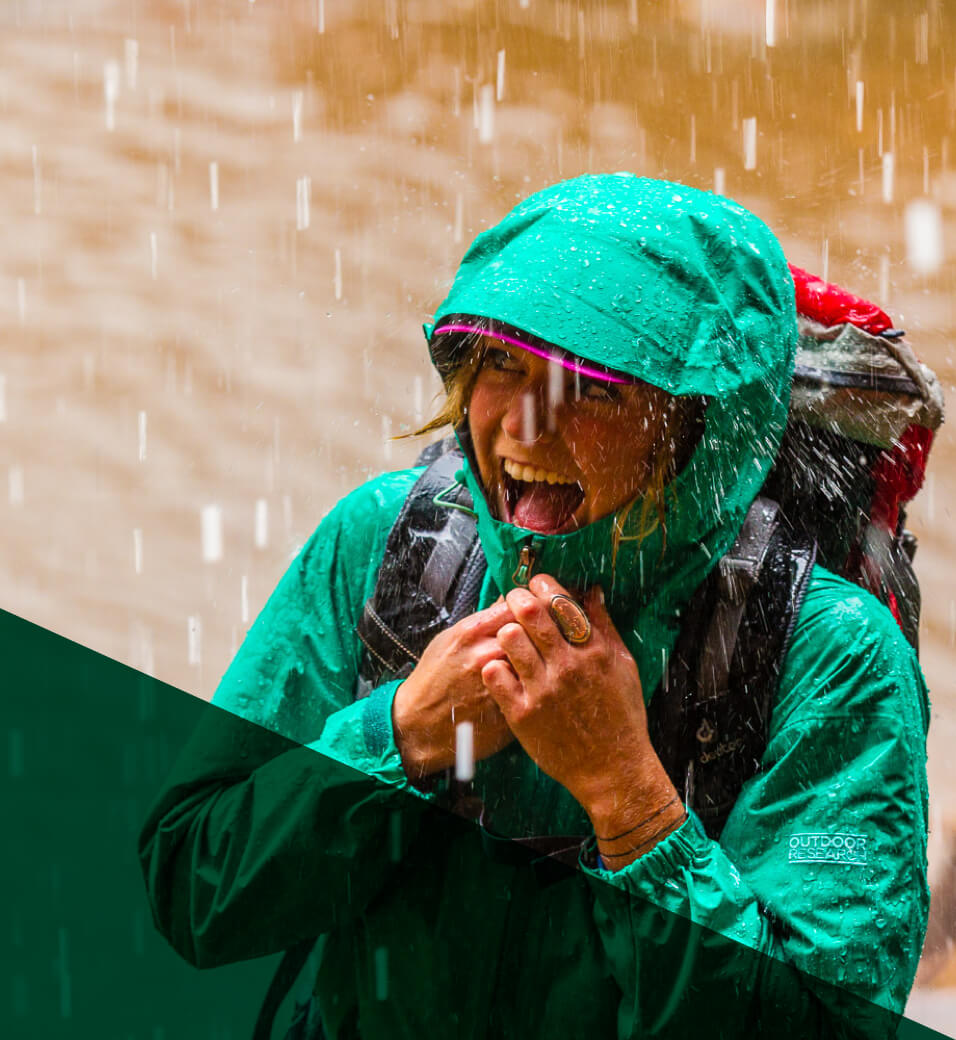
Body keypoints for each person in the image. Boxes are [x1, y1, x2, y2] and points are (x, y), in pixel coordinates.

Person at [139, 174, 930, 1038]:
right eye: (502, 365)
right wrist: (398, 739)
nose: (521, 428)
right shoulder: (388, 549)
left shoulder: (830, 660)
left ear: (702, 430)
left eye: (589, 389)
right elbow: (190, 882)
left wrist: (632, 803)